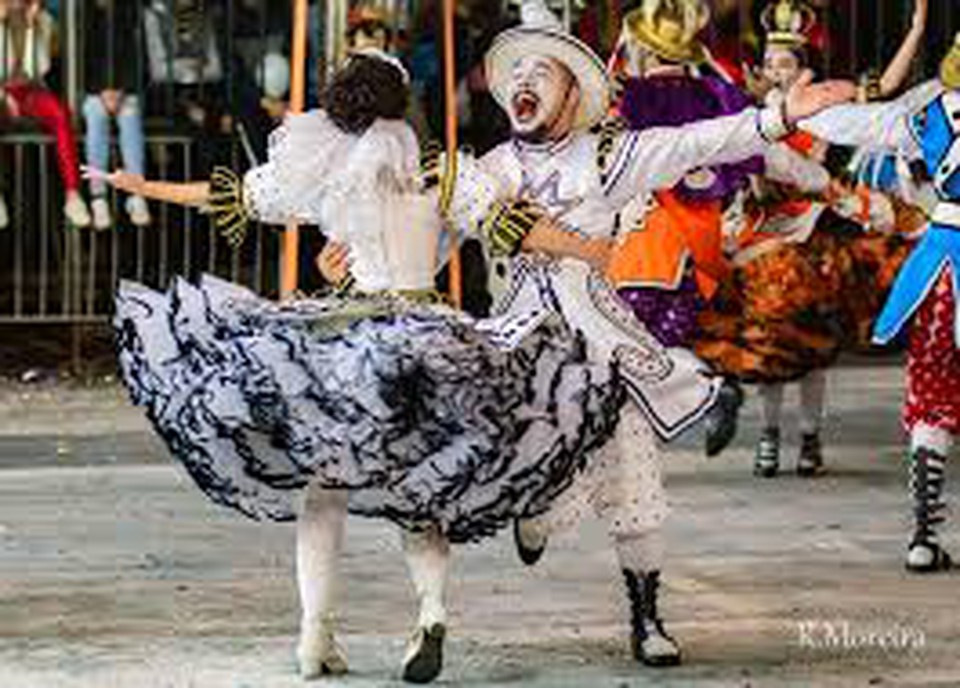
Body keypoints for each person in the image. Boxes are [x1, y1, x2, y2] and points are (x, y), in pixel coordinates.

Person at [327, 0, 852, 670]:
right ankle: (528, 513)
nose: (524, 84)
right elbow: (425, 252)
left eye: (541, 72)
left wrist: (778, 117)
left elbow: (702, 141)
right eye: (515, 72)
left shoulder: (612, 157)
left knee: (636, 484)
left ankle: (647, 616)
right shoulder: (486, 172)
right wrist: (365, 259)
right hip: (515, 353)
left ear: (573, 90)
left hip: (604, 348)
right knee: (506, 459)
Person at [99, 52, 623, 684]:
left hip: (351, 342)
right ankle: (430, 612)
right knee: (422, 488)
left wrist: (138, 186)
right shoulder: (439, 173)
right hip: (428, 338)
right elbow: (516, 228)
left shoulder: (328, 172)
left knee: (325, 491)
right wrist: (594, 248)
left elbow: (230, 195)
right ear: (405, 102)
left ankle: (313, 634)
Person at [695, 0, 925, 479]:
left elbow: (886, 89)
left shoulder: (824, 111)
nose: (778, 72)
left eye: (788, 64)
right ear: (760, 72)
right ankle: (769, 433)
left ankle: (809, 437)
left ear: (806, 70)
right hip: (759, 233)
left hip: (810, 230)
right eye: (772, 65)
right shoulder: (752, 115)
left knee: (811, 347)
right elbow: (701, 64)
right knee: (764, 344)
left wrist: (918, 29)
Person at [799, 34, 960, 573]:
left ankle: (921, 536)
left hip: (939, 266)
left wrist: (792, 113)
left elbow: (858, 125)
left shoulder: (928, 114)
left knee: (931, 391)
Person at [604, 0, 763, 456]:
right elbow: (756, 155)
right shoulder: (720, 96)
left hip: (646, 241)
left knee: (624, 341)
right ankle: (702, 395)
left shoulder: (625, 98)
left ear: (645, 51)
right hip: (700, 244)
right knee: (659, 339)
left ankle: (706, 395)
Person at [0, 0, 90, 226]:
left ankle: (73, 195)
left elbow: (38, 69)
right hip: (1, 92)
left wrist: (31, 28)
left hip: (31, 90)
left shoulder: (45, 20)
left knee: (60, 114)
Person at [82, 0, 151, 229]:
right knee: (95, 116)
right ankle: (98, 196)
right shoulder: (85, 14)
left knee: (130, 116)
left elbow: (138, 58)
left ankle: (136, 192)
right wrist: (102, 92)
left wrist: (120, 91)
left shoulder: (130, 13)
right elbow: (82, 61)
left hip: (126, 90)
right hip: (94, 92)